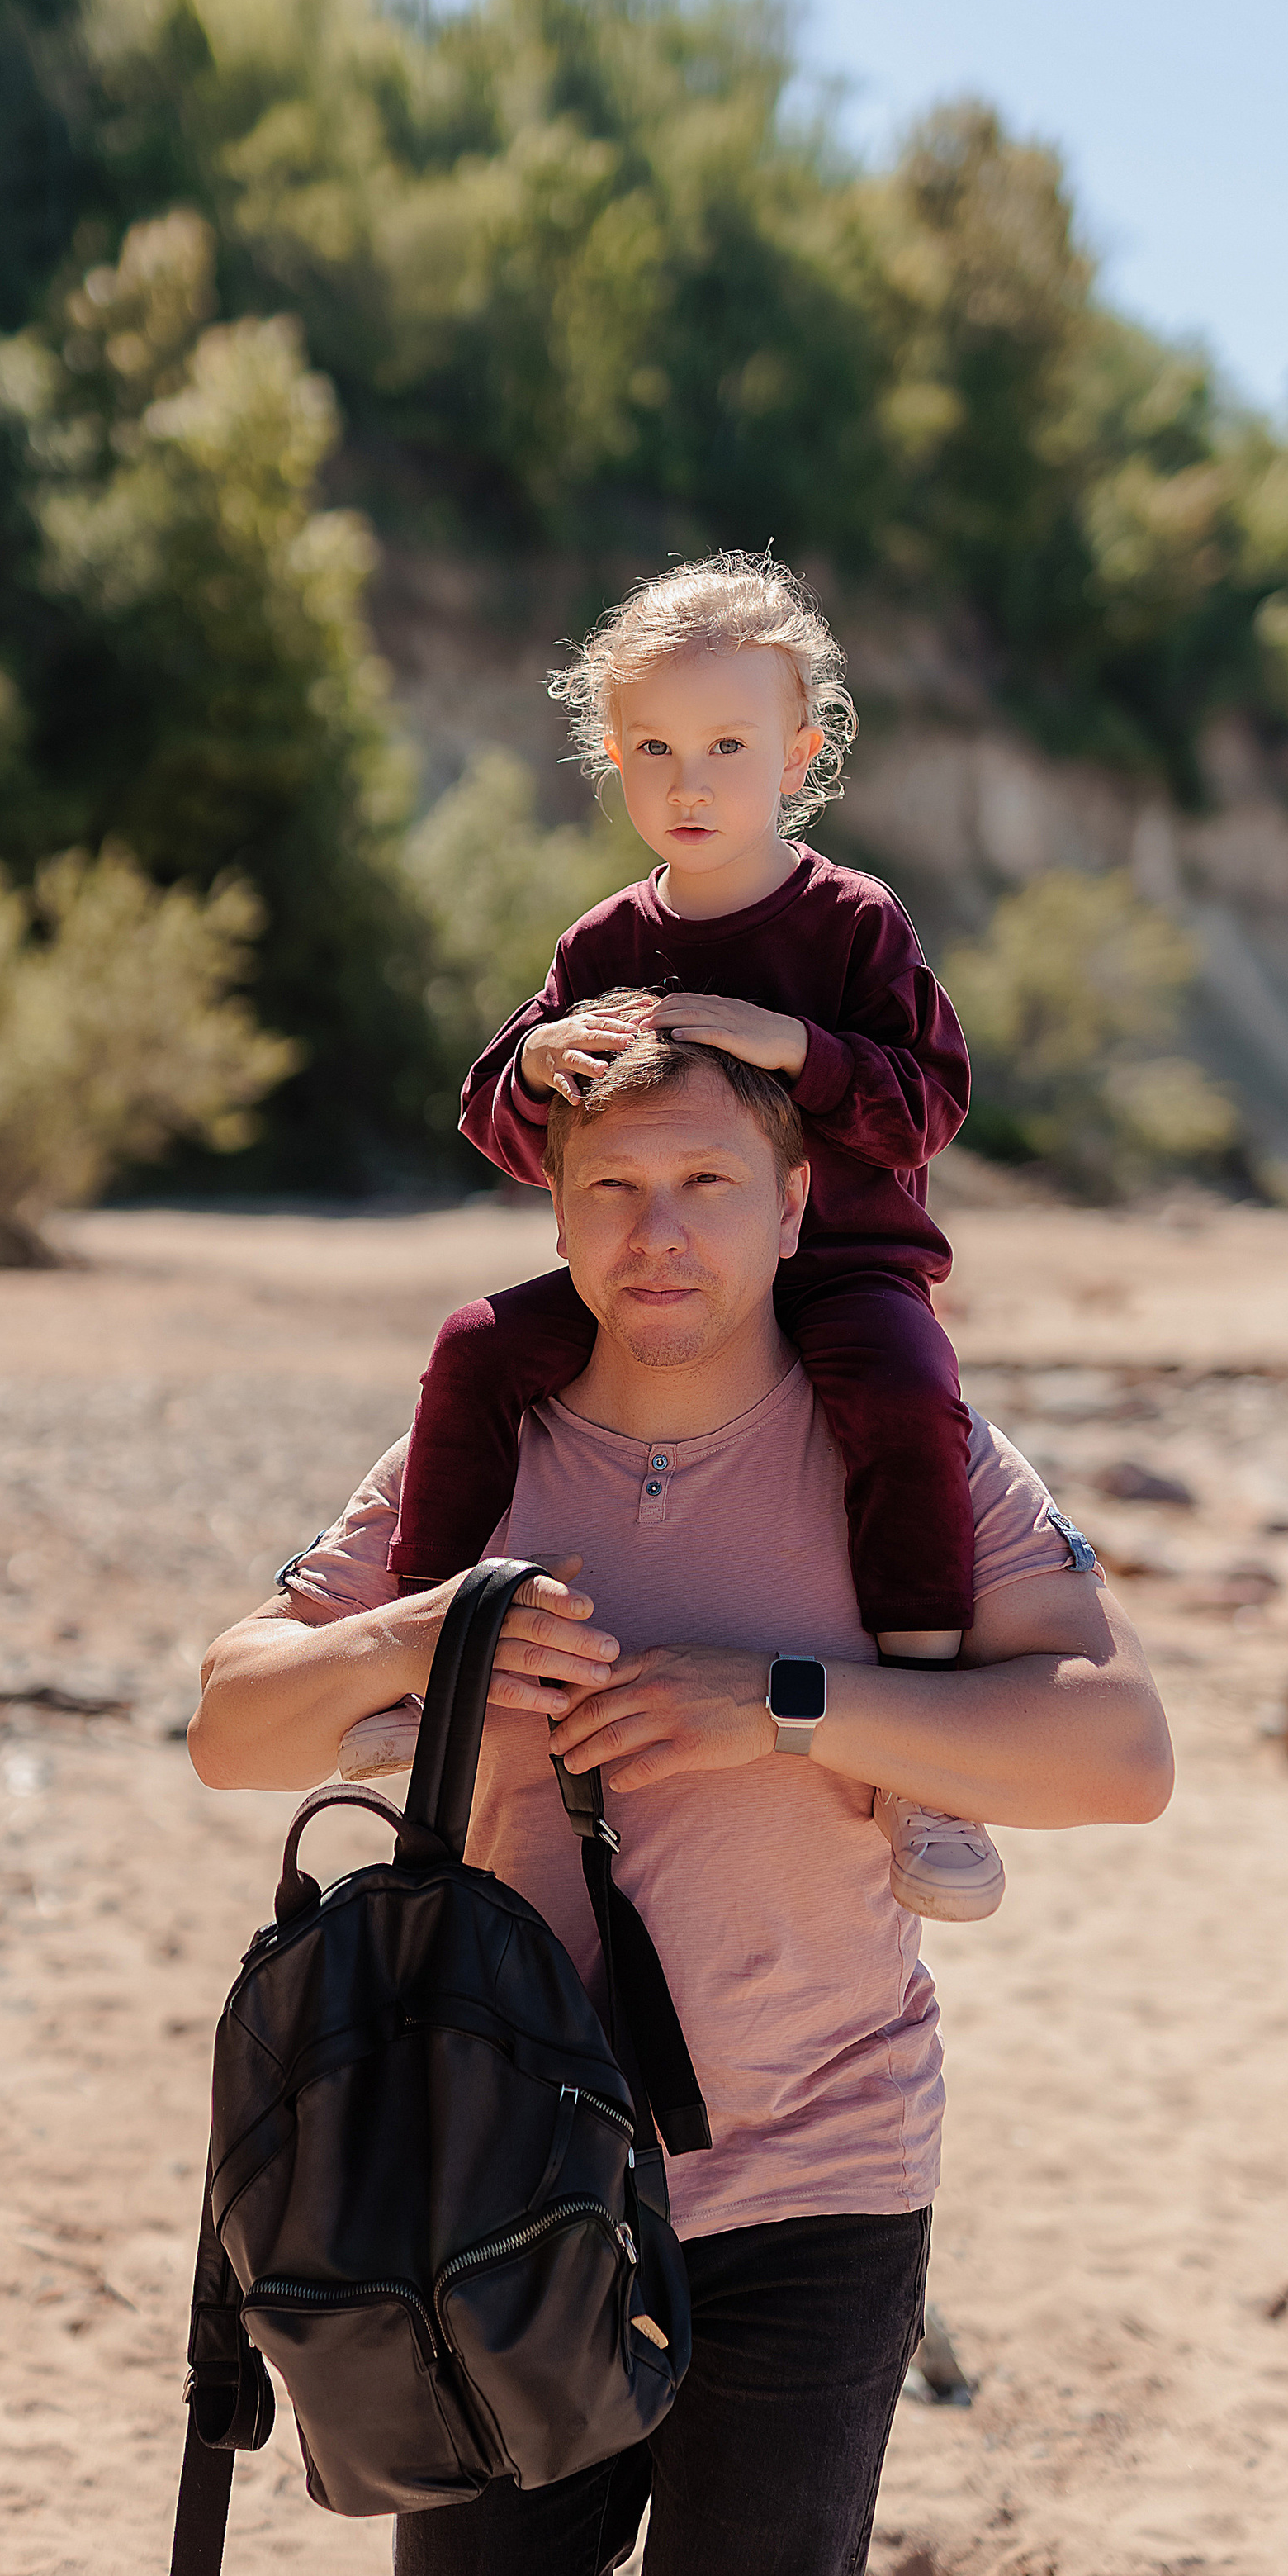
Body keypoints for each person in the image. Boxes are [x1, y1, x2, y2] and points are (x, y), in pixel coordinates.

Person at [187, 1027, 1173, 2576]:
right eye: (612, 1189)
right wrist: (418, 1627)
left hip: (815, 2167)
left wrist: (783, 1699)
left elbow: (1116, 1749)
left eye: (707, 1185)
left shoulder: (909, 1457)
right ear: (555, 1212)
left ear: (798, 1206)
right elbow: (229, 1717)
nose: (658, 1231)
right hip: (507, 2190)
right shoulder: (476, 1457)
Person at [389, 550, 1000, 1921]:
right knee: (478, 1345)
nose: (692, 780)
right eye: (655, 747)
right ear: (610, 756)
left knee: (905, 1394)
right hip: (646, 1279)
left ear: (800, 751)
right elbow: (498, 1122)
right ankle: (412, 1657)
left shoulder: (852, 923)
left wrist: (796, 1047)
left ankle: (925, 1761)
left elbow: (930, 1107)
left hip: (839, 1272)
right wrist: (543, 1063)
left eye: (729, 744)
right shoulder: (602, 944)